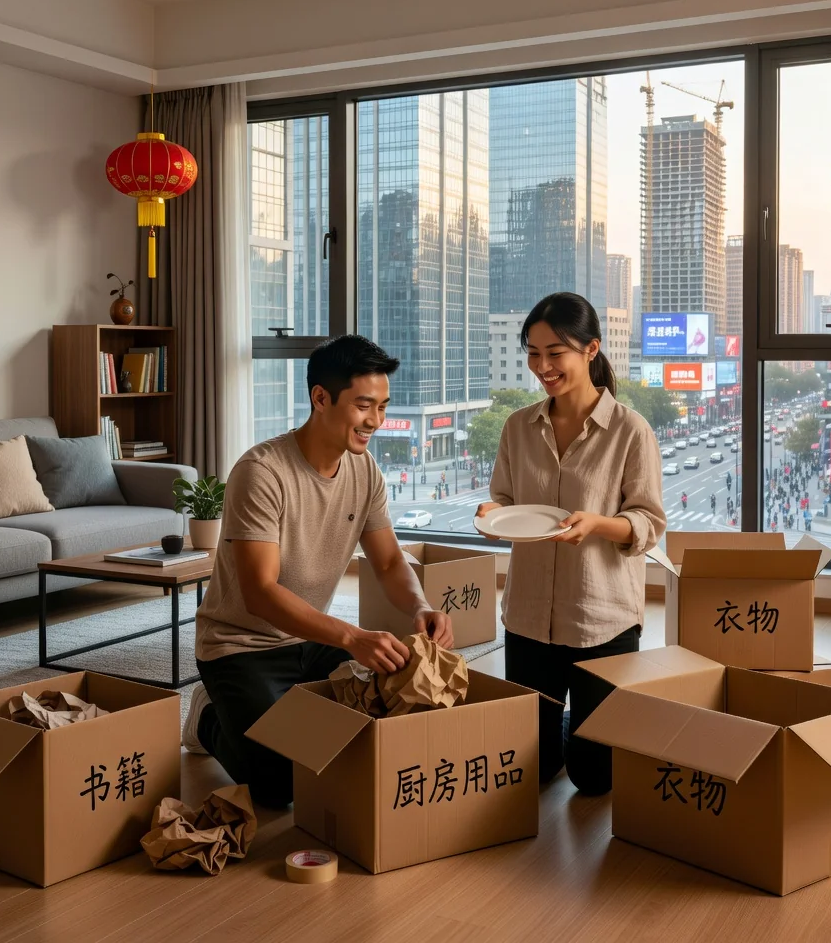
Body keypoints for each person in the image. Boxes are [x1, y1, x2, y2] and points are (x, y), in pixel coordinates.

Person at [182, 336, 454, 808]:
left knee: (391, 712)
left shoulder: (365, 470)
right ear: (321, 398)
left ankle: (281, 705)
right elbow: (260, 592)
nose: (376, 421)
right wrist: (352, 637)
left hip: (311, 639)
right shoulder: (262, 472)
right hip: (240, 646)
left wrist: (420, 606)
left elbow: (389, 561)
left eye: (382, 406)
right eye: (363, 406)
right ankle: (207, 716)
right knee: (280, 782)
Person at [474, 293, 665, 795]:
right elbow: (504, 499)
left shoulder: (630, 431)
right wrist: (491, 513)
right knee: (530, 771)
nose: (543, 367)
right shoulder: (518, 427)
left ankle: (590, 727)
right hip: (529, 618)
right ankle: (565, 726)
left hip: (602, 619)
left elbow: (648, 522)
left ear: (590, 349)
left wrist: (598, 524)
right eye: (534, 354)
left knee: (595, 779)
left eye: (555, 353)